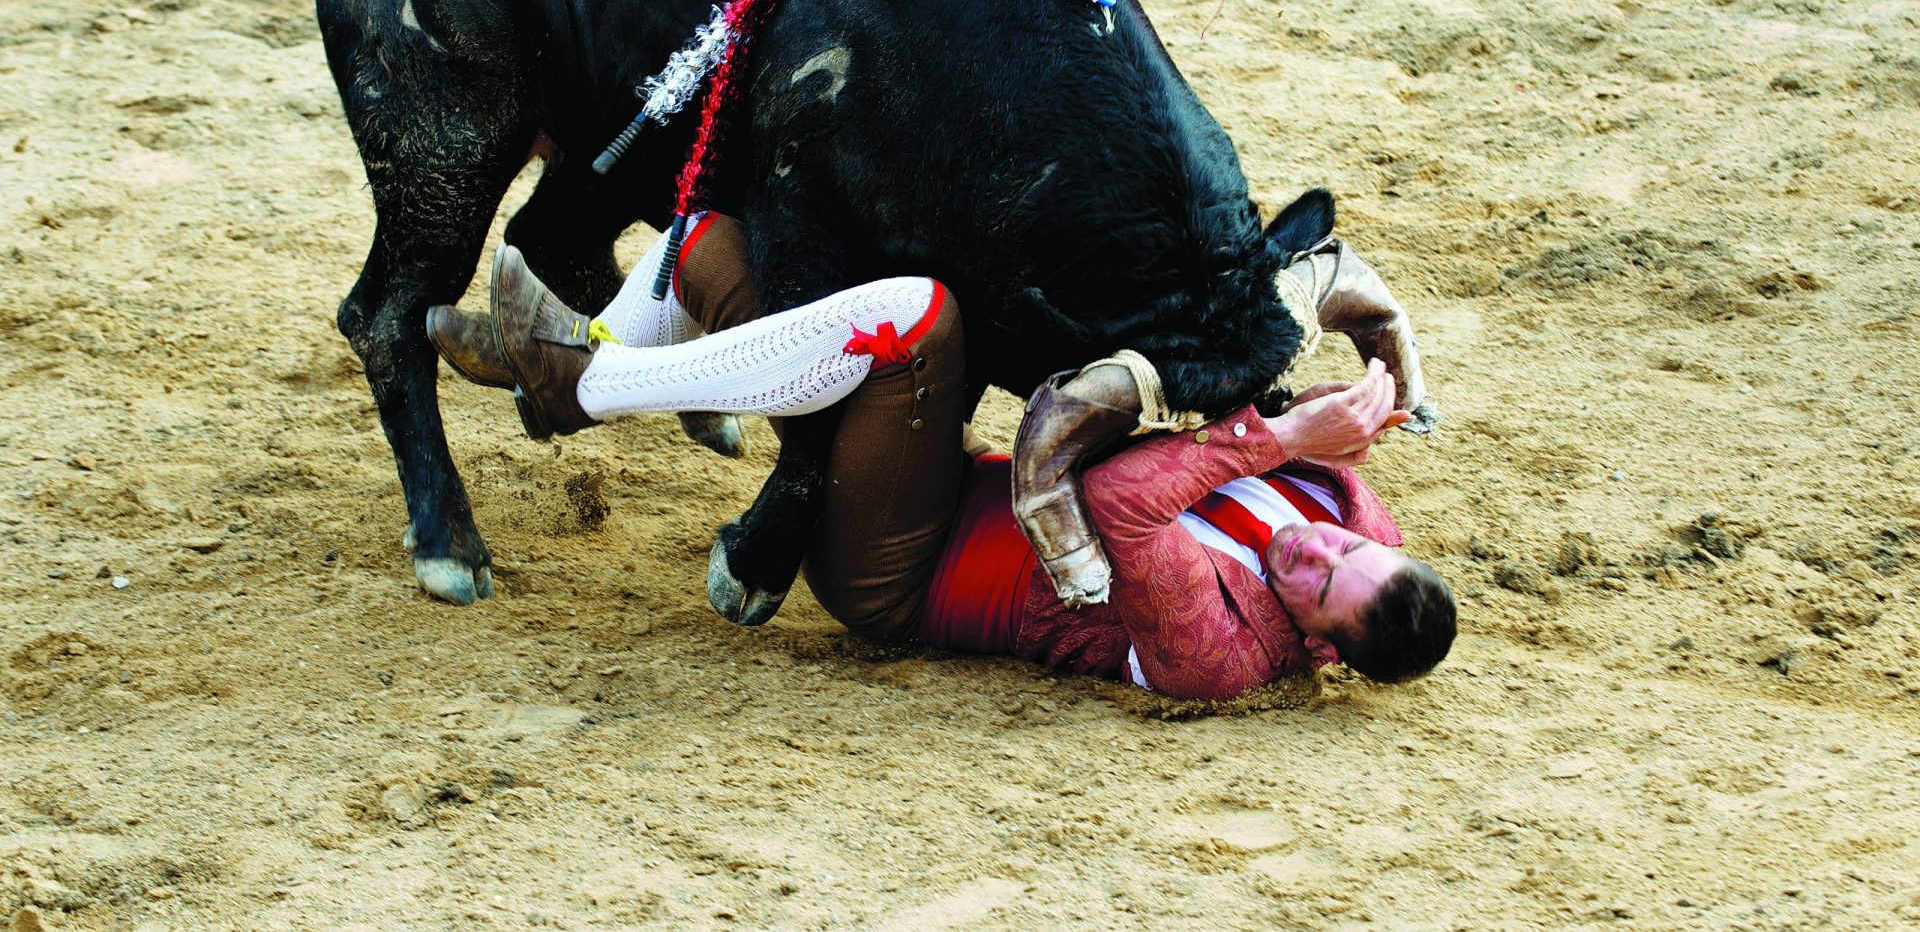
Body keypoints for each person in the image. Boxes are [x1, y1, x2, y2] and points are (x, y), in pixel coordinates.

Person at [432, 214, 1455, 701]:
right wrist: (1327, 399)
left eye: (1321, 585)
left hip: (895, 568)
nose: (1313, 549)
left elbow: (1116, 494)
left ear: (1321, 645)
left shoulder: (1223, 658)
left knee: (914, 322)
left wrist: (1276, 439)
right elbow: (1278, 418)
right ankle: (573, 356)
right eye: (1343, 545)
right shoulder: (1356, 522)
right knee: (718, 236)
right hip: (947, 472)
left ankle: (582, 388)